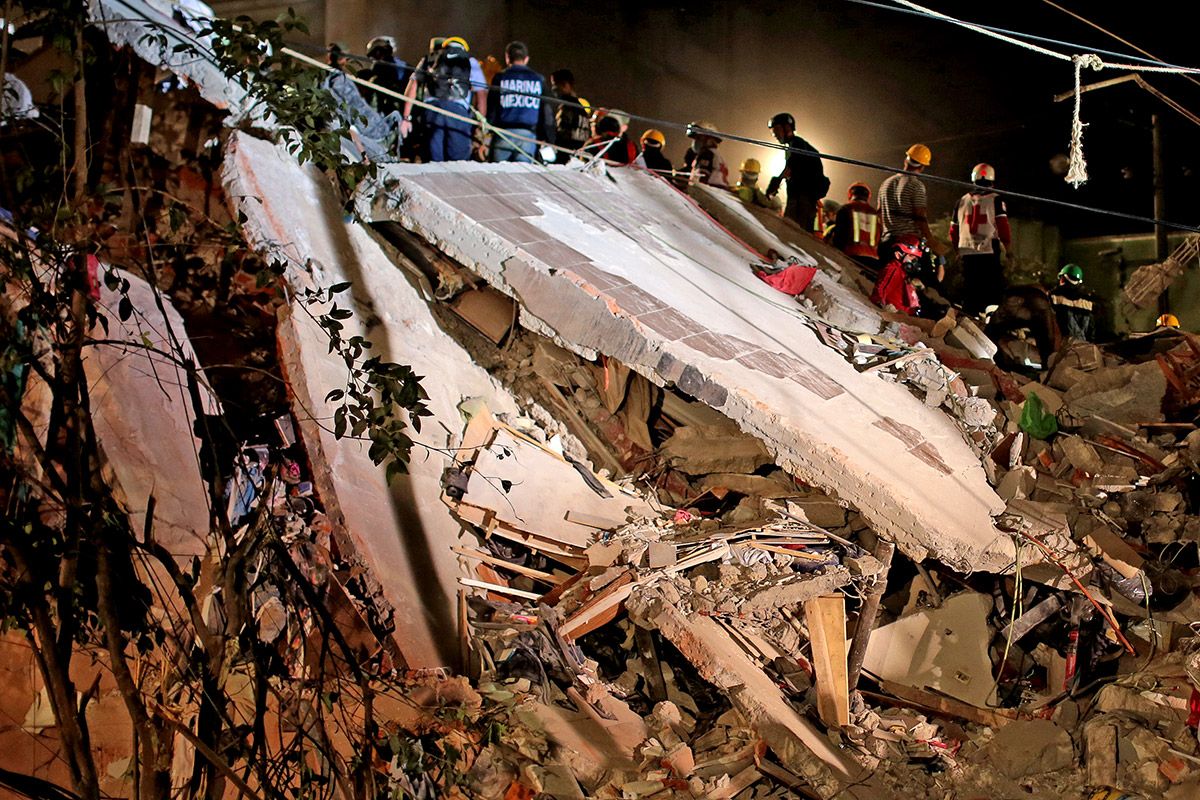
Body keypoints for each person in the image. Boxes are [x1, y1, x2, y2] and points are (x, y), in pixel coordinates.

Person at [400, 36, 488, 161]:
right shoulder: (470, 61)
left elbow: (412, 85)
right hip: (458, 115)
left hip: (432, 112)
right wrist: (481, 121)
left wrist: (406, 117)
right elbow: (481, 94)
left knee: (432, 161)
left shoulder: (429, 58)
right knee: (458, 163)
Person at [950, 163, 1012, 315]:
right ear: (992, 180)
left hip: (967, 255)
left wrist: (956, 250)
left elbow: (953, 230)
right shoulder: (996, 200)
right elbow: (1003, 226)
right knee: (992, 296)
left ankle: (968, 327)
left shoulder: (961, 202)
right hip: (988, 253)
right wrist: (1009, 250)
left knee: (970, 296)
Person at [487, 41, 555, 162]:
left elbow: (492, 108)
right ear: (526, 59)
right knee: (522, 177)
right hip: (528, 137)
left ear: (507, 58)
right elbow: (546, 112)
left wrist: (488, 129)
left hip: (503, 134)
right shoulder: (538, 79)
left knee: (497, 175)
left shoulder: (500, 78)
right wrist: (548, 138)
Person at [878, 144, 943, 263]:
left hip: (887, 243)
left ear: (905, 160)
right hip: (909, 246)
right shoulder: (916, 185)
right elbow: (920, 217)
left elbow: (879, 213)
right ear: (922, 166)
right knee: (926, 280)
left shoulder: (886, 183)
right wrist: (931, 240)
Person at [765, 112, 829, 230]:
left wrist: (774, 184)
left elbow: (790, 167)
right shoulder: (797, 144)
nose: (774, 135)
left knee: (791, 231)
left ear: (787, 127)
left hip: (801, 200)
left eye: (777, 130)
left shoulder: (796, 144)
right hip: (805, 200)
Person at [355, 35, 411, 116]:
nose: (373, 58)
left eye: (374, 54)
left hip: (390, 105)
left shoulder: (381, 66)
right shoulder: (402, 64)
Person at [832, 182, 881, 268]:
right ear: (868, 197)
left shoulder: (846, 209)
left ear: (850, 194)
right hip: (873, 260)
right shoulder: (876, 214)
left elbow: (839, 236)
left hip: (851, 256)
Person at [870, 239, 923, 315]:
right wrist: (879, 302)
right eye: (911, 256)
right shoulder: (894, 269)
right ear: (898, 255)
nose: (914, 261)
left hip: (902, 312)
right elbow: (882, 288)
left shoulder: (902, 272)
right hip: (895, 311)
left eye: (915, 258)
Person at [1049, 263, 1098, 342]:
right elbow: (1091, 329)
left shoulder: (1053, 296)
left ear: (1062, 279)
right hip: (1083, 346)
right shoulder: (1088, 300)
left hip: (1062, 346)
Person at [550, 69, 591, 162]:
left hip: (565, 155)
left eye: (555, 84)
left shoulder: (566, 106)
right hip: (579, 154)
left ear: (565, 85)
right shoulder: (580, 107)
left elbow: (562, 132)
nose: (553, 89)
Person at [683, 120, 730, 187]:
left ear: (709, 139)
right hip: (718, 190)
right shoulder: (717, 155)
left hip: (708, 189)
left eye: (699, 138)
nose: (695, 142)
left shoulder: (707, 154)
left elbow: (702, 177)